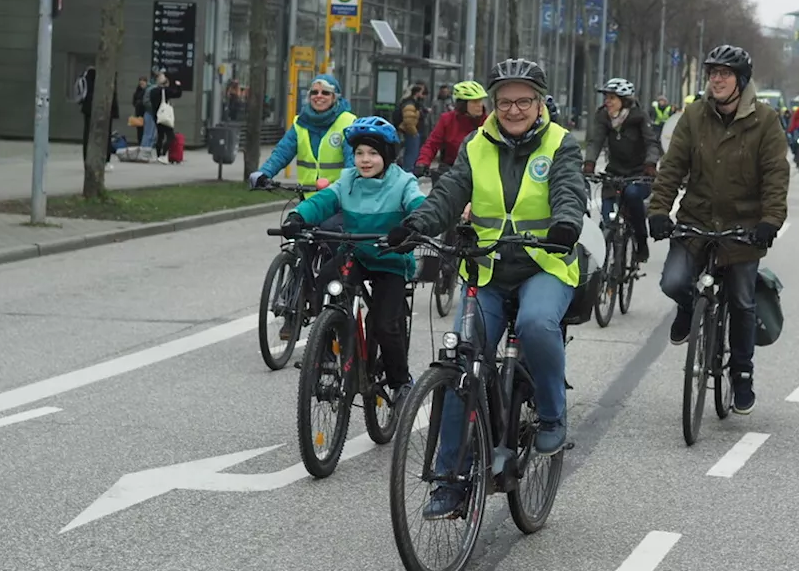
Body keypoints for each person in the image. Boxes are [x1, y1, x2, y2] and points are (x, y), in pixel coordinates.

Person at [387, 58, 587, 519]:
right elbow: (450, 193)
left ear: (539, 104)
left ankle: (553, 414)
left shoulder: (560, 143)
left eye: (523, 101)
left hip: (545, 262)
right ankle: (450, 481)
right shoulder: (477, 144)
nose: (514, 109)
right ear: (492, 105)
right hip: (488, 268)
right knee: (461, 362)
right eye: (505, 102)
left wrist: (565, 223)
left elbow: (569, 191)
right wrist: (415, 225)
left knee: (538, 323)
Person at [648, 45, 789, 415]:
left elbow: (776, 174)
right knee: (673, 282)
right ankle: (688, 307)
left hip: (743, 229)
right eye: (712, 73)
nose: (717, 79)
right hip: (695, 221)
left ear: (741, 81)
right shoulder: (694, 115)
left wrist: (770, 221)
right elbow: (673, 166)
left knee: (742, 301)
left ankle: (741, 373)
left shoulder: (765, 120)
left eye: (725, 73)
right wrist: (659, 210)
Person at [279, 117, 424, 405]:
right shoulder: (347, 180)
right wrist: (299, 217)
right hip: (356, 253)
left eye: (372, 153)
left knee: (384, 324)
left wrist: (412, 227)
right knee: (325, 283)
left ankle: (400, 380)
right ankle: (329, 350)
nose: (365, 160)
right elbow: (323, 201)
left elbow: (420, 206)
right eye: (359, 153)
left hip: (390, 258)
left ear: (386, 155)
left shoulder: (403, 182)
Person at [583, 77, 660, 262]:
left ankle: (641, 243)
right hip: (614, 172)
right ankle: (603, 261)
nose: (607, 102)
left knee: (633, 196)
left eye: (612, 98)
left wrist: (650, 164)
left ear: (624, 101)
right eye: (606, 98)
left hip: (638, 174)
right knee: (606, 220)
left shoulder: (639, 117)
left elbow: (652, 143)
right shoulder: (603, 116)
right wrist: (589, 163)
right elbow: (596, 141)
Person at [249, 74, 356, 199]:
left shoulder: (348, 122)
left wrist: (351, 184)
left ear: (335, 98)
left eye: (325, 93)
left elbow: (352, 159)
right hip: (307, 197)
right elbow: (283, 152)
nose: (319, 96)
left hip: (337, 197)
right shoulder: (300, 123)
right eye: (314, 92)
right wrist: (265, 172)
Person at [414, 80, 487, 178]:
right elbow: (432, 143)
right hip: (450, 171)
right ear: (463, 104)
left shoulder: (488, 123)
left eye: (481, 100)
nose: (480, 105)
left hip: (478, 173)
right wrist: (422, 162)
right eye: (475, 101)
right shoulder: (447, 120)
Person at [393, 84, 429, 171]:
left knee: (409, 154)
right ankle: (408, 171)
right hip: (410, 133)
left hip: (409, 132)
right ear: (416, 93)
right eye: (422, 92)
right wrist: (414, 133)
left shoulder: (411, 103)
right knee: (411, 155)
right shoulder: (410, 104)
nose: (423, 95)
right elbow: (408, 121)